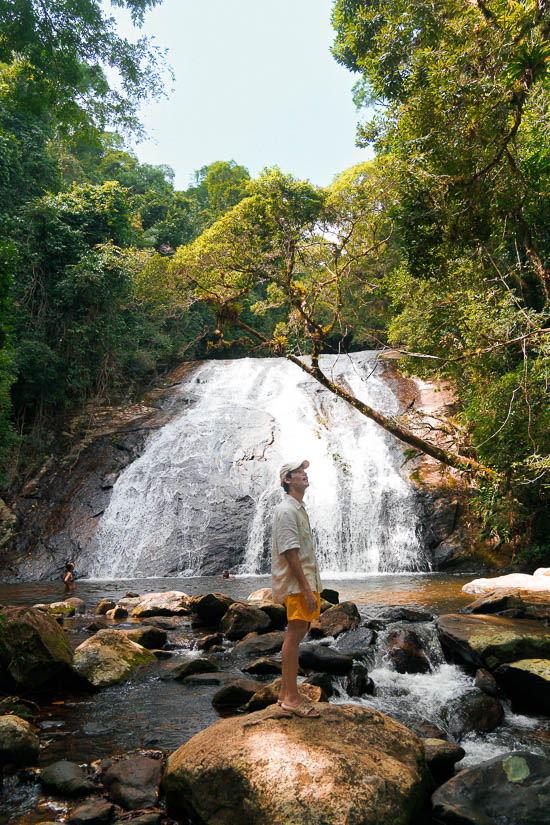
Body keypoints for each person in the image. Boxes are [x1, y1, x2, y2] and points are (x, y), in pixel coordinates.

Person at [272, 459, 322, 717]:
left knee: (297, 632)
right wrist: (305, 589)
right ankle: (291, 697)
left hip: (304, 582)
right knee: (294, 635)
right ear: (287, 480)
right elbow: (290, 552)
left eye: (304, 471)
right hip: (297, 584)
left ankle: (284, 693)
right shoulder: (287, 510)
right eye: (299, 472)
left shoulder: (298, 509)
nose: (304, 474)